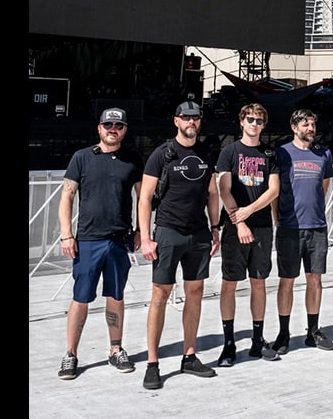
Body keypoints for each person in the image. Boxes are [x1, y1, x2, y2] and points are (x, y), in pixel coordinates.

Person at [137, 100, 223, 389]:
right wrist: (146, 236)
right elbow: (145, 197)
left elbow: (212, 193)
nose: (191, 122)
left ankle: (189, 355)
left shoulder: (205, 152)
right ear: (176, 121)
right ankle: (152, 363)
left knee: (195, 291)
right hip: (168, 232)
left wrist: (214, 228)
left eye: (196, 118)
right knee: (160, 294)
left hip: (198, 233)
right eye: (186, 118)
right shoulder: (161, 154)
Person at [56, 107, 143, 380]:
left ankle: (115, 350)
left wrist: (143, 230)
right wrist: (66, 234)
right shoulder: (82, 158)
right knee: (80, 298)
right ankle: (70, 353)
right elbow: (67, 197)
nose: (113, 129)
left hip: (119, 240)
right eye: (108, 125)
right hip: (88, 240)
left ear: (125, 130)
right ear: (99, 128)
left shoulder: (132, 159)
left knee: (116, 297)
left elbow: (143, 199)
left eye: (118, 125)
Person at [213, 103, 282, 366]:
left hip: (262, 225)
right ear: (242, 121)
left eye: (260, 121)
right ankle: (228, 344)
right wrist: (238, 220)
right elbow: (224, 189)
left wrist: (249, 212)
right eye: (250, 119)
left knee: (259, 281)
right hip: (234, 227)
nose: (255, 124)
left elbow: (273, 189)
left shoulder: (269, 154)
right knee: (229, 283)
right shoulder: (229, 152)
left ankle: (257, 339)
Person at [270, 108, 333, 353]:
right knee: (286, 281)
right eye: (305, 124)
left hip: (317, 227)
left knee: (315, 279)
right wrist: (279, 218)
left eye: (312, 124)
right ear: (294, 127)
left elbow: (324, 187)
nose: (310, 128)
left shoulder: (324, 154)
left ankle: (313, 331)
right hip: (289, 227)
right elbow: (275, 191)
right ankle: (284, 333)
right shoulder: (282, 153)